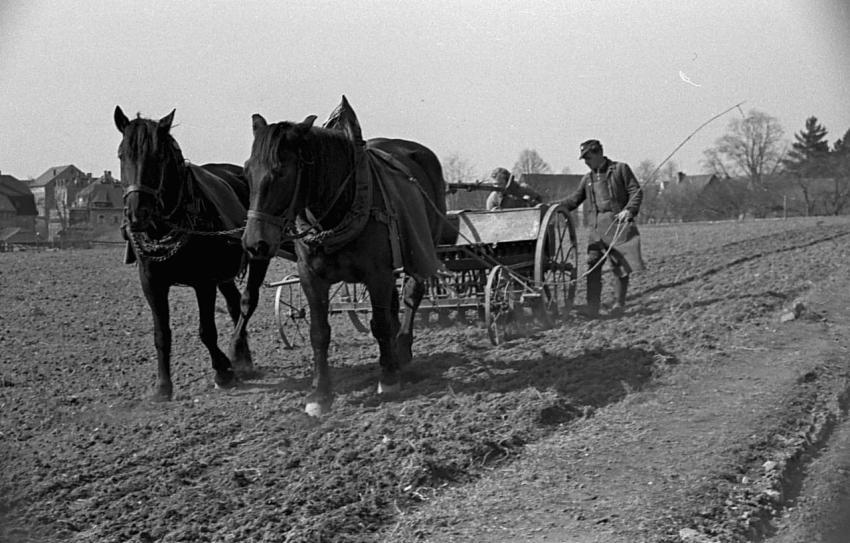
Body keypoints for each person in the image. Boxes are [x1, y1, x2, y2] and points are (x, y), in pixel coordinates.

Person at [560, 139, 644, 318]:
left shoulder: (621, 169)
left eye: (588, 158)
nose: (586, 162)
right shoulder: (588, 179)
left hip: (618, 225)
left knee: (620, 265)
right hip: (596, 229)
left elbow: (635, 191)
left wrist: (629, 210)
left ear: (599, 153)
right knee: (592, 265)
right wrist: (554, 208)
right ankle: (593, 308)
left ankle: (618, 305)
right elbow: (574, 200)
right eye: (584, 160)